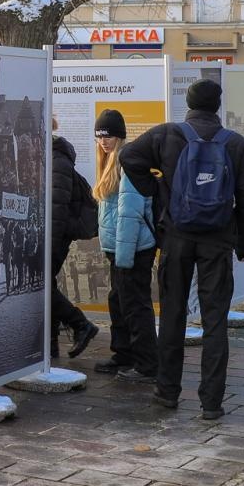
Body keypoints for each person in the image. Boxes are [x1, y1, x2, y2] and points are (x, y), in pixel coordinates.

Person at [121, 79, 244, 421]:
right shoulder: (236, 144)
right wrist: (242, 241)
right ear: (217, 105)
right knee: (215, 320)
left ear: (188, 102)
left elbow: (128, 157)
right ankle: (211, 402)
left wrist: (157, 193)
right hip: (217, 239)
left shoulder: (167, 134)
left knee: (173, 314)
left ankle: (167, 391)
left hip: (176, 236)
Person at [92, 109, 158, 381]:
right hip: (120, 247)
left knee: (135, 303)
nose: (104, 142)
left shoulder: (125, 162)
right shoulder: (109, 162)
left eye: (108, 136)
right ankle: (124, 353)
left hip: (131, 247)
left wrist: (124, 255)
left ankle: (147, 364)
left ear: (119, 136)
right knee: (118, 300)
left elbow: (130, 214)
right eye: (99, 137)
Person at [49, 116, 99, 360]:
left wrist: (49, 243)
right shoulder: (48, 156)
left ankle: (80, 324)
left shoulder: (56, 160)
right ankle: (49, 348)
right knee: (45, 286)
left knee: (42, 287)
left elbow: (56, 208)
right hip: (52, 234)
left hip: (54, 236)